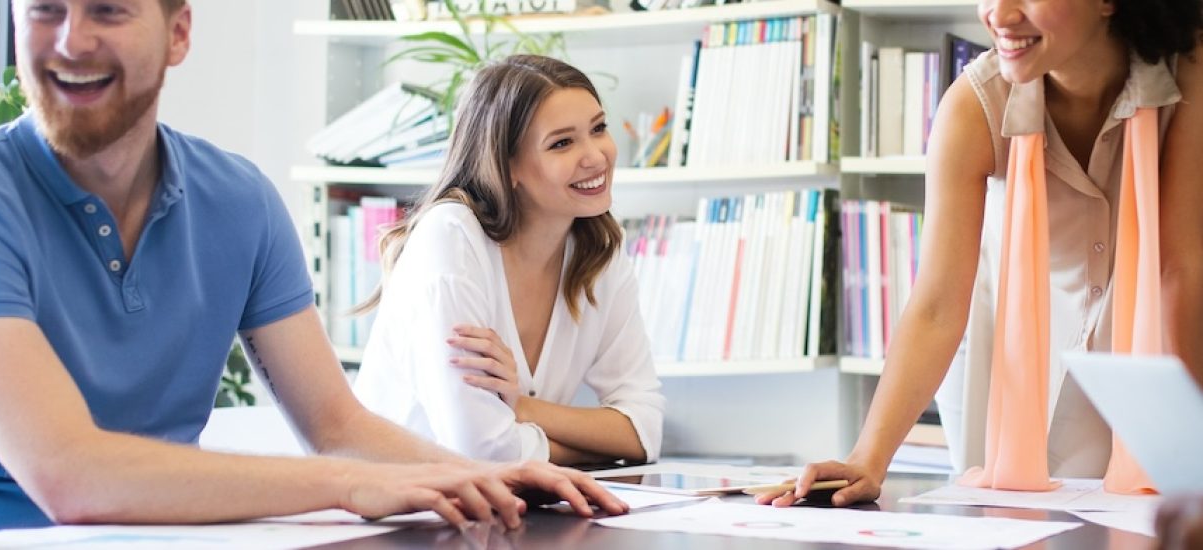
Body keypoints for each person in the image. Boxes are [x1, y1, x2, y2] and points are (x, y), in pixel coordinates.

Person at [0, 0, 625, 535]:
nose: (71, 40)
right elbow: (69, 475)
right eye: (44, 11)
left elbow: (338, 427)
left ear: (178, 34)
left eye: (108, 11)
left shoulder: (239, 200)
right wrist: (349, 486)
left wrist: (480, 475)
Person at [760, 0, 1203, 506]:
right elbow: (937, 305)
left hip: (1148, 349)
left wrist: (1187, 448)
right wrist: (867, 457)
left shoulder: (1186, 74)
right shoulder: (974, 103)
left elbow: (1179, 267)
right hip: (1010, 364)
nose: (999, 14)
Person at [352, 55, 664, 466]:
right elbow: (480, 451)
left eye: (598, 128)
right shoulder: (450, 237)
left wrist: (521, 409)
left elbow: (643, 433)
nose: (596, 156)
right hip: (404, 510)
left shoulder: (599, 249)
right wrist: (590, 448)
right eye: (562, 143)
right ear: (508, 164)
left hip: (509, 510)